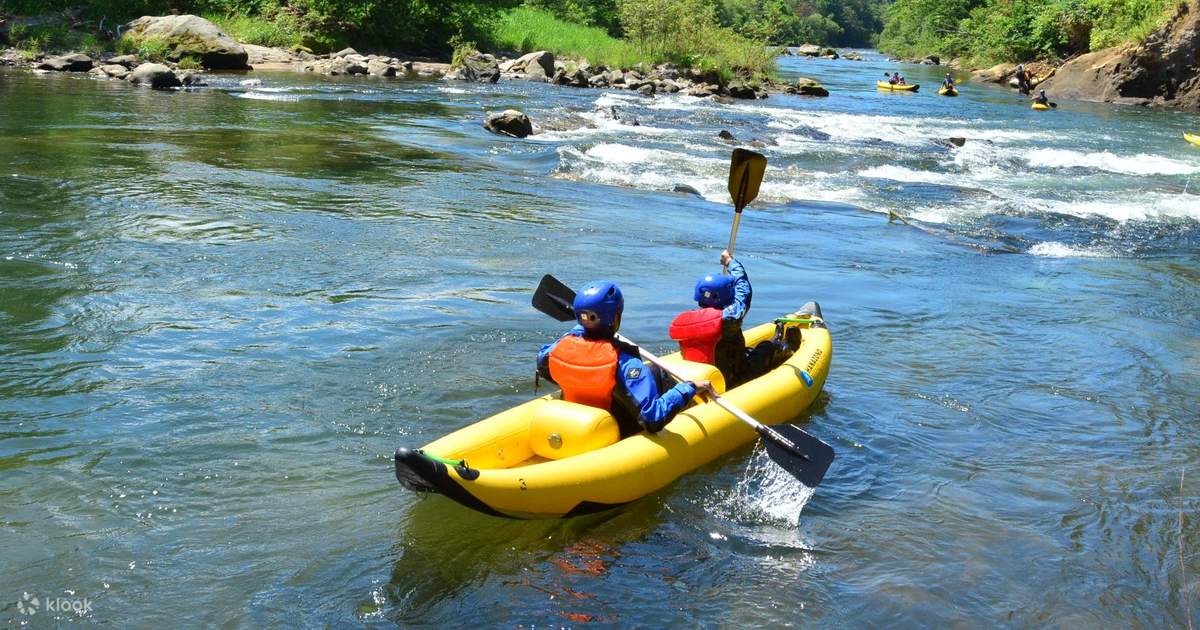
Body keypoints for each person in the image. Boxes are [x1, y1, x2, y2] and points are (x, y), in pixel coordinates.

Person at [537, 280, 714, 437]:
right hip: (614, 427)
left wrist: (581, 330)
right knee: (660, 374)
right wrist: (688, 388)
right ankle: (694, 405)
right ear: (616, 317)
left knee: (653, 370)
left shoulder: (556, 349)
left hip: (576, 422)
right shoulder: (624, 362)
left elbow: (543, 365)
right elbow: (653, 419)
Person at [669, 250, 795, 387]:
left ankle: (774, 342)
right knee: (766, 348)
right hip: (731, 380)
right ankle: (789, 346)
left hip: (699, 377)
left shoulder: (684, 321)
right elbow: (744, 291)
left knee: (747, 350)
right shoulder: (728, 319)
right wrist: (730, 262)